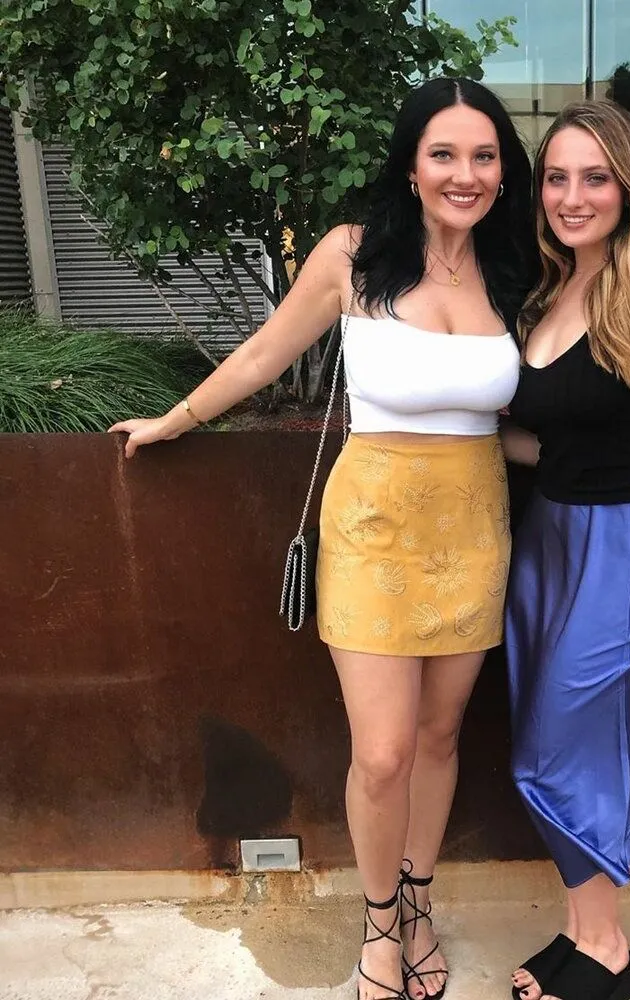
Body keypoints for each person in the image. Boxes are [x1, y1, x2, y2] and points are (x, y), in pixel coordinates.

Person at [110, 77, 535, 1000]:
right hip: (373, 527)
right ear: (411, 165)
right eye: (443, 154)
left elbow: (542, 405)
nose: (464, 174)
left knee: (438, 736)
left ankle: (418, 903)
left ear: (504, 171)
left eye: (483, 156)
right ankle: (379, 924)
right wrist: (175, 420)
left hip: (473, 524)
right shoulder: (353, 253)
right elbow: (267, 352)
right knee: (381, 753)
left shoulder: (514, 269)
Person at [499, 100, 630, 1000]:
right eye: (556, 177)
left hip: (625, 540)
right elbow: (545, 442)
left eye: (594, 177)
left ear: (626, 185)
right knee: (557, 742)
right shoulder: (546, 292)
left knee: (552, 751)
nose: (572, 196)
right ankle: (586, 931)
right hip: (546, 544)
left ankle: (609, 952)